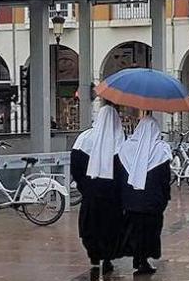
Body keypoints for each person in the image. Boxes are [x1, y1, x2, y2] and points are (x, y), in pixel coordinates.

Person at [69, 105, 125, 280]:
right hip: (112, 196)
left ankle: (94, 256)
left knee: (90, 226)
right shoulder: (120, 139)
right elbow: (124, 169)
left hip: (90, 194)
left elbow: (75, 166)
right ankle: (108, 258)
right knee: (111, 228)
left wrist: (84, 186)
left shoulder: (84, 138)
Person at [118, 116, 172, 275]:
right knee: (150, 230)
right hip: (152, 201)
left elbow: (121, 176)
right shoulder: (160, 150)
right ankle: (144, 260)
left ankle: (138, 258)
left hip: (131, 200)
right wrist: (165, 197)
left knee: (134, 230)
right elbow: (165, 178)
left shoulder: (126, 148)